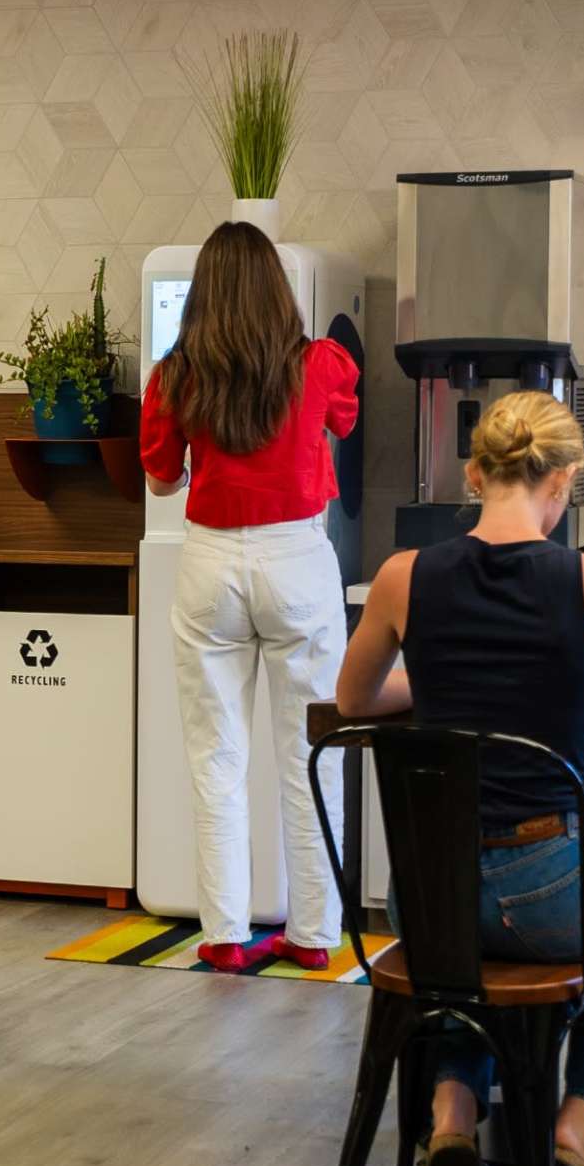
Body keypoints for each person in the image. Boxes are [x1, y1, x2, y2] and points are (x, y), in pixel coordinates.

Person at [328, 390, 584, 1166]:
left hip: (427, 895)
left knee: (458, 968)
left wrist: (436, 683)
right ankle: (577, 1132)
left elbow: (353, 696)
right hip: (546, 885)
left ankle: (452, 1122)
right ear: (567, 481)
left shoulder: (404, 576)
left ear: (475, 474)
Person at [140, 220, 364, 973]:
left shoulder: (177, 376)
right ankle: (313, 935)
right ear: (279, 290)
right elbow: (344, 419)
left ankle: (226, 934)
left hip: (209, 565)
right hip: (297, 560)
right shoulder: (319, 364)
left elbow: (162, 478)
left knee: (217, 757)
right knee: (312, 756)